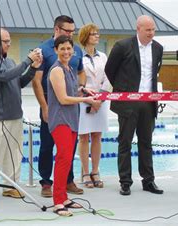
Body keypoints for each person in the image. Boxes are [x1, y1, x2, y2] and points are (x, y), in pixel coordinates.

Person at [105, 15, 164, 196]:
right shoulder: (123, 46)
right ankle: (125, 182)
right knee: (125, 143)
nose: (151, 33)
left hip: (148, 102)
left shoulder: (158, 48)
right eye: (148, 30)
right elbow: (110, 70)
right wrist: (124, 90)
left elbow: (155, 72)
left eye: (153, 29)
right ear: (138, 29)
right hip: (128, 103)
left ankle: (148, 181)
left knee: (146, 143)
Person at [0, 28, 42, 202]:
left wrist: (32, 68)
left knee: (14, 154)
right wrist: (27, 61)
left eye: (9, 41)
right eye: (5, 41)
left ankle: (11, 186)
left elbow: (19, 82)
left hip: (15, 114)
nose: (9, 44)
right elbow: (6, 76)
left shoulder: (11, 61)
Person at [32, 15, 86, 197]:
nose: (71, 34)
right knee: (47, 145)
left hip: (72, 105)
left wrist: (82, 88)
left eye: (73, 31)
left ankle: (68, 180)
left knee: (70, 146)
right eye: (67, 31)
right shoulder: (44, 50)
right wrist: (44, 106)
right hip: (53, 104)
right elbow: (37, 81)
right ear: (56, 29)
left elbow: (81, 72)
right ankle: (46, 183)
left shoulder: (75, 50)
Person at [47, 35, 97, 216]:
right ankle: (57, 201)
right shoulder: (56, 70)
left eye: (69, 49)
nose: (66, 52)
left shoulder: (69, 68)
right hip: (60, 120)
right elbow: (63, 98)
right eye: (62, 49)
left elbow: (69, 91)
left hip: (71, 119)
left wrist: (83, 89)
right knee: (62, 159)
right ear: (56, 50)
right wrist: (86, 99)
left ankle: (64, 197)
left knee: (67, 160)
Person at [77, 23, 110, 188]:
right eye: (93, 34)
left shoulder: (103, 56)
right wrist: (90, 98)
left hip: (101, 100)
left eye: (98, 33)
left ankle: (95, 170)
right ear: (85, 37)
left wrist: (100, 99)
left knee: (97, 136)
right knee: (83, 137)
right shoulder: (78, 56)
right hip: (84, 100)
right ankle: (84, 171)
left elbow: (108, 78)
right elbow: (76, 80)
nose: (97, 36)